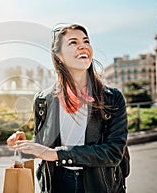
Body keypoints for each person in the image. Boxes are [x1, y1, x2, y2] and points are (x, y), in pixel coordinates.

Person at [7, 24, 129, 193]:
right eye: (73, 42)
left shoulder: (112, 98)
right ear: (59, 56)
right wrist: (25, 144)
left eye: (86, 41)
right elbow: (45, 146)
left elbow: (113, 152)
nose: (83, 45)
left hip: (99, 184)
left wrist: (58, 155)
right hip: (58, 183)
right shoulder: (43, 100)